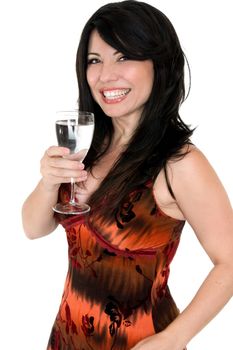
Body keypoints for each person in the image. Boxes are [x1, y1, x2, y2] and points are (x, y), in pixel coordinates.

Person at [22, 1, 233, 349]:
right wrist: (48, 181)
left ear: (159, 64)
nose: (106, 75)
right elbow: (33, 228)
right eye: (95, 60)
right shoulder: (88, 145)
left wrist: (174, 338)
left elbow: (229, 262)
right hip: (66, 338)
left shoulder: (179, 162)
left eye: (124, 57)